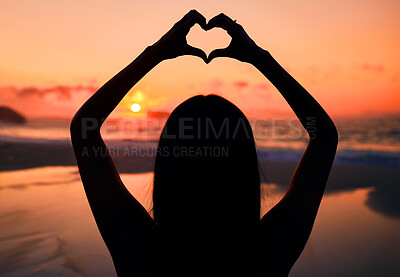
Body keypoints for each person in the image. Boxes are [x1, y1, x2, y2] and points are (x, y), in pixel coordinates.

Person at [70, 10, 338, 277]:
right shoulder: (267, 254)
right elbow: (324, 136)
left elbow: (85, 128)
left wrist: (156, 53)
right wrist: (259, 57)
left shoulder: (139, 250)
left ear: (168, 168)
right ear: (244, 171)